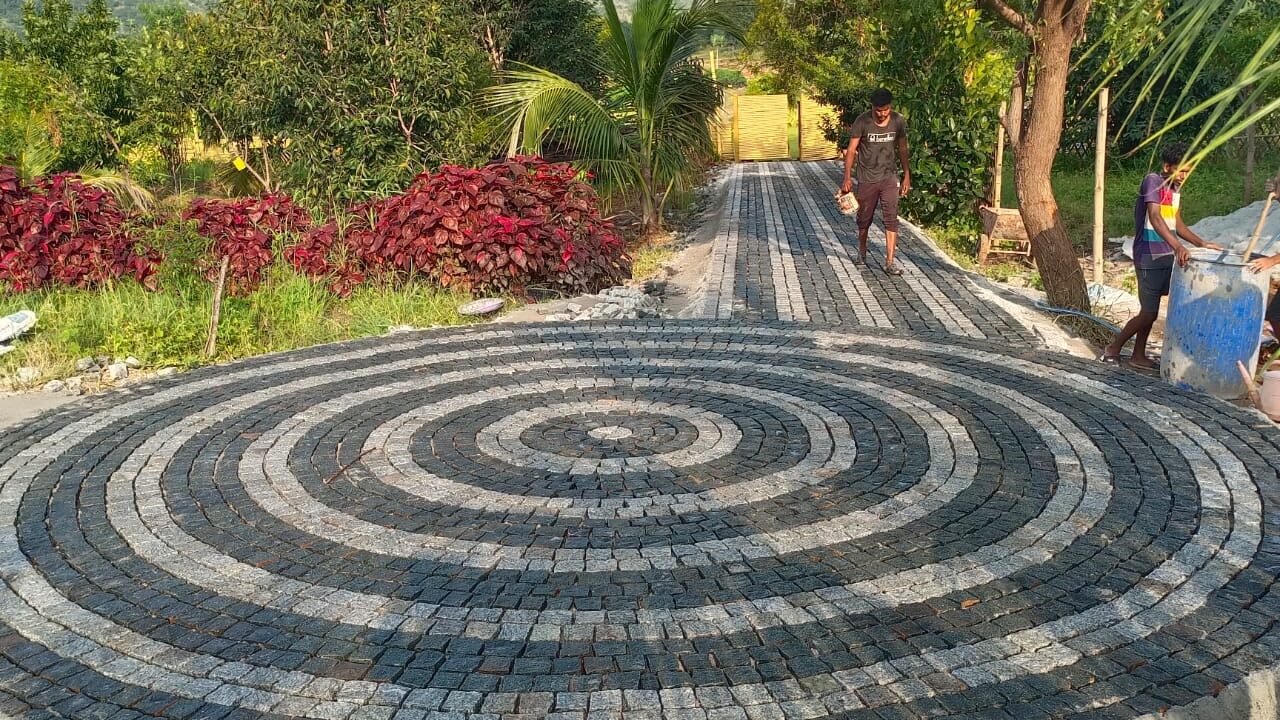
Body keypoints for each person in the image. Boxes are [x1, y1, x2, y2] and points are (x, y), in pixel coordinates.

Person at [1102, 143, 1222, 368]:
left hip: (1166, 256)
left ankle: (1138, 355)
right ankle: (1113, 348)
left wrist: (1202, 243)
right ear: (1167, 167)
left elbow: (1177, 223)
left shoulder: (1175, 190)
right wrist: (1178, 247)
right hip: (1149, 256)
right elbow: (1155, 217)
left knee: (1152, 311)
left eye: (1188, 171)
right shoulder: (1153, 181)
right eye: (1180, 170)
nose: (1184, 176)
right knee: (1148, 312)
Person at [840, 88, 911, 275]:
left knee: (891, 218)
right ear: (872, 107)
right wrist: (847, 177)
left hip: (889, 177)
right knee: (864, 218)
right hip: (867, 178)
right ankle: (862, 252)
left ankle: (890, 262)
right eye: (878, 111)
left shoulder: (898, 121)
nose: (882, 114)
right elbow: (852, 150)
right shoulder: (862, 121)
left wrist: (906, 174)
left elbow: (903, 148)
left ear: (890, 107)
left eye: (885, 110)